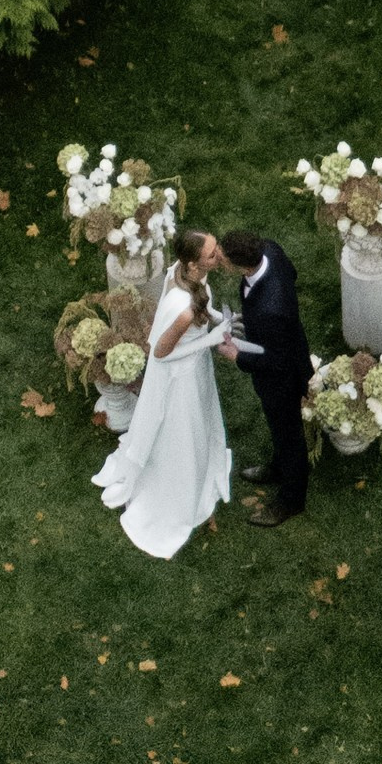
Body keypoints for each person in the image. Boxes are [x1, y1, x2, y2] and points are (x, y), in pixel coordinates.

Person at [93, 227, 233, 563]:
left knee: (200, 421)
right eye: (211, 253)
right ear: (193, 262)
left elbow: (203, 308)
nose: (218, 255)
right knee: (186, 430)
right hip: (181, 377)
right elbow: (161, 353)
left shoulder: (180, 273)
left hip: (193, 368)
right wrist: (212, 340)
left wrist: (218, 318)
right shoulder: (182, 308)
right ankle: (179, 490)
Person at [215, 223, 312, 527]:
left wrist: (237, 355)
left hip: (282, 378)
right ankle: (279, 467)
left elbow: (277, 362)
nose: (218, 260)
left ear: (239, 266)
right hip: (280, 341)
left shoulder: (273, 307)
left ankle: (291, 499)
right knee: (279, 429)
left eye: (222, 259)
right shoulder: (269, 249)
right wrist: (253, 322)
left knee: (289, 433)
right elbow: (291, 273)